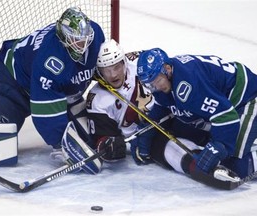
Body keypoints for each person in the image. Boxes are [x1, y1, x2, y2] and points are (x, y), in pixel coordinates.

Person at [0, 7, 105, 166]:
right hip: (10, 86)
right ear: (63, 37)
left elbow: (99, 68)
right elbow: (44, 111)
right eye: (75, 40)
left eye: (84, 39)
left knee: (88, 140)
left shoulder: (95, 34)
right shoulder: (49, 58)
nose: (82, 45)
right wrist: (61, 144)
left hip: (59, 92)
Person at [85, 40, 209, 176]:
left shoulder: (138, 62)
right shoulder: (96, 99)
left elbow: (167, 69)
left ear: (124, 62)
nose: (113, 75)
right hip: (143, 138)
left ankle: (222, 148)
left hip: (169, 113)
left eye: (116, 67)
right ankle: (200, 168)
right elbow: (103, 138)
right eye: (106, 70)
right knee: (166, 148)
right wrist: (109, 145)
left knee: (198, 125)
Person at [136, 47, 257, 179]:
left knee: (234, 167)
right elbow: (162, 106)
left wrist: (220, 145)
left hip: (248, 99)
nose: (157, 87)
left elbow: (226, 115)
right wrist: (146, 130)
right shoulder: (168, 78)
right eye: (151, 84)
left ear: (167, 69)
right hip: (226, 102)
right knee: (183, 129)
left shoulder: (189, 85)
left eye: (158, 81)